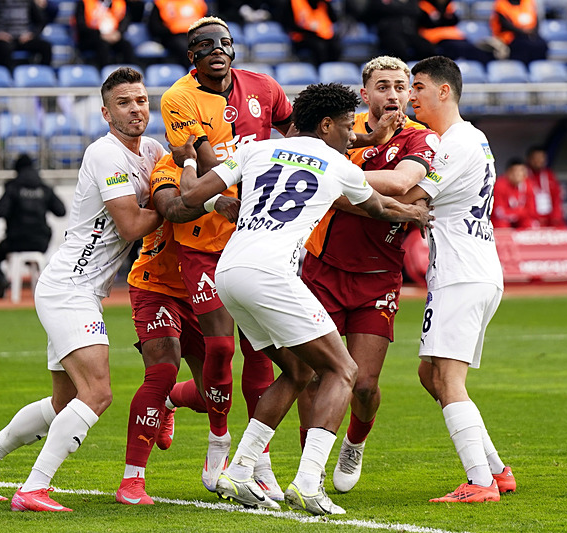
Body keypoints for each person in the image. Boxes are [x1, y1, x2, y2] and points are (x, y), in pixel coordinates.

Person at [174, 82, 434, 515]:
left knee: (298, 371)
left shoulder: (255, 149)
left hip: (230, 272)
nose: (351, 136)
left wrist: (189, 163)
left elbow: (190, 196)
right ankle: (309, 482)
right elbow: (379, 208)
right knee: (343, 370)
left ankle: (238, 471)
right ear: (326, 125)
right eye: (347, 127)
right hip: (272, 274)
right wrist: (415, 213)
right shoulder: (338, 164)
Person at [0, 67, 163, 512]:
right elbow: (131, 224)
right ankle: (33, 489)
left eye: (141, 100)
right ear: (106, 113)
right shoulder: (104, 153)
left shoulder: (152, 151)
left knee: (65, 400)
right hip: (71, 287)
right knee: (98, 394)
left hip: (78, 288)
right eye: (124, 103)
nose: (135, 109)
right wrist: (176, 207)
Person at [158, 16, 293, 499]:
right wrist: (248, 187)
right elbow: (207, 162)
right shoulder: (179, 98)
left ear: (234, 49)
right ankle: (218, 442)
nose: (216, 48)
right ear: (191, 54)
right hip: (203, 240)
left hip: (256, 238)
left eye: (224, 42)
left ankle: (259, 460)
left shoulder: (265, 87)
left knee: (261, 349)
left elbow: (299, 134)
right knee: (220, 349)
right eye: (205, 43)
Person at [299, 55, 439, 494]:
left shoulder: (421, 137)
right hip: (323, 268)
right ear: (365, 94)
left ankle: (354, 443)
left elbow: (399, 185)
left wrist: (340, 181)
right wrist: (361, 189)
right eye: (382, 86)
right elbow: (319, 180)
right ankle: (309, 468)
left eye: (400, 86)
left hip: (378, 276)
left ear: (409, 93)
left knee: (363, 384)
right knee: (313, 375)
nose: (393, 94)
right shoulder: (342, 129)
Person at [401, 55, 515, 502]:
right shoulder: (474, 139)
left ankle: (480, 482)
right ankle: (496, 471)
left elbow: (409, 194)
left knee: (448, 379)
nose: (411, 96)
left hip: (460, 272)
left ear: (444, 90)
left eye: (418, 87)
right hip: (473, 267)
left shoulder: (455, 143)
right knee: (429, 374)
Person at [116, 152, 241, 505]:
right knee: (162, 370)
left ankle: (170, 402)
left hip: (204, 291)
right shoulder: (169, 167)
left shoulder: (235, 164)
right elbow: (174, 208)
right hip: (155, 286)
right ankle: (132, 481)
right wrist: (217, 202)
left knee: (210, 397)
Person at [0, 153, 66, 299]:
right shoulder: (44, 188)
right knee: (34, 259)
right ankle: (39, 281)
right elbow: (61, 211)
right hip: (40, 242)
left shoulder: (13, 187)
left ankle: (2, 280)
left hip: (16, 241)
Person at [0, 0, 53, 72]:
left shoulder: (28, 1)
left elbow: (41, 21)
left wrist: (32, 34)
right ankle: (8, 77)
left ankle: (43, 75)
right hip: (2, 40)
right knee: (4, 49)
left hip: (23, 39)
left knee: (46, 47)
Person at [418, 0, 494, 63]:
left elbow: (453, 21)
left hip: (453, 36)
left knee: (479, 51)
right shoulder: (422, 5)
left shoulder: (449, 5)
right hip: (435, 39)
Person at [75, 0, 139, 70]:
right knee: (103, 46)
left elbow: (125, 21)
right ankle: (107, 72)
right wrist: (100, 34)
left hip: (113, 36)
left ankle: (130, 73)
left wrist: (118, 33)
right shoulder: (85, 3)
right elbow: (81, 26)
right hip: (91, 38)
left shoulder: (118, 3)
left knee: (127, 46)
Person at [280, 0, 342, 66]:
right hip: (302, 37)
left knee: (335, 46)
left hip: (322, 36)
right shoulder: (293, 3)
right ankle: (320, 68)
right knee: (320, 46)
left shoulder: (323, 4)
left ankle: (330, 68)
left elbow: (334, 19)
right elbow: (287, 23)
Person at [148, 0, 208, 66]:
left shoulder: (198, 2)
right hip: (174, 37)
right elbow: (154, 27)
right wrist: (172, 30)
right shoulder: (162, 3)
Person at [490, 0, 548, 64]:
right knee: (524, 46)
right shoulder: (501, 4)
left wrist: (532, 32)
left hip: (528, 35)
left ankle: (537, 67)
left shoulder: (528, 2)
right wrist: (524, 32)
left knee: (541, 44)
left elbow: (535, 21)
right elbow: (506, 25)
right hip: (510, 38)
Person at [526, 145, 567, 228]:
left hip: (549, 216)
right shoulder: (524, 176)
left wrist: (556, 216)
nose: (539, 161)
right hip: (531, 217)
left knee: (562, 227)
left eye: (541, 158)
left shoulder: (549, 175)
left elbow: (556, 197)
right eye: (536, 158)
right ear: (529, 159)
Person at [490, 157, 538, 229]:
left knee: (530, 223)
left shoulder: (529, 185)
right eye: (515, 171)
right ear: (508, 172)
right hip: (503, 220)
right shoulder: (500, 185)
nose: (518, 174)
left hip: (519, 219)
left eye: (521, 171)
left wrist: (517, 213)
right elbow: (499, 212)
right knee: (501, 224)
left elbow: (531, 211)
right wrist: (519, 212)